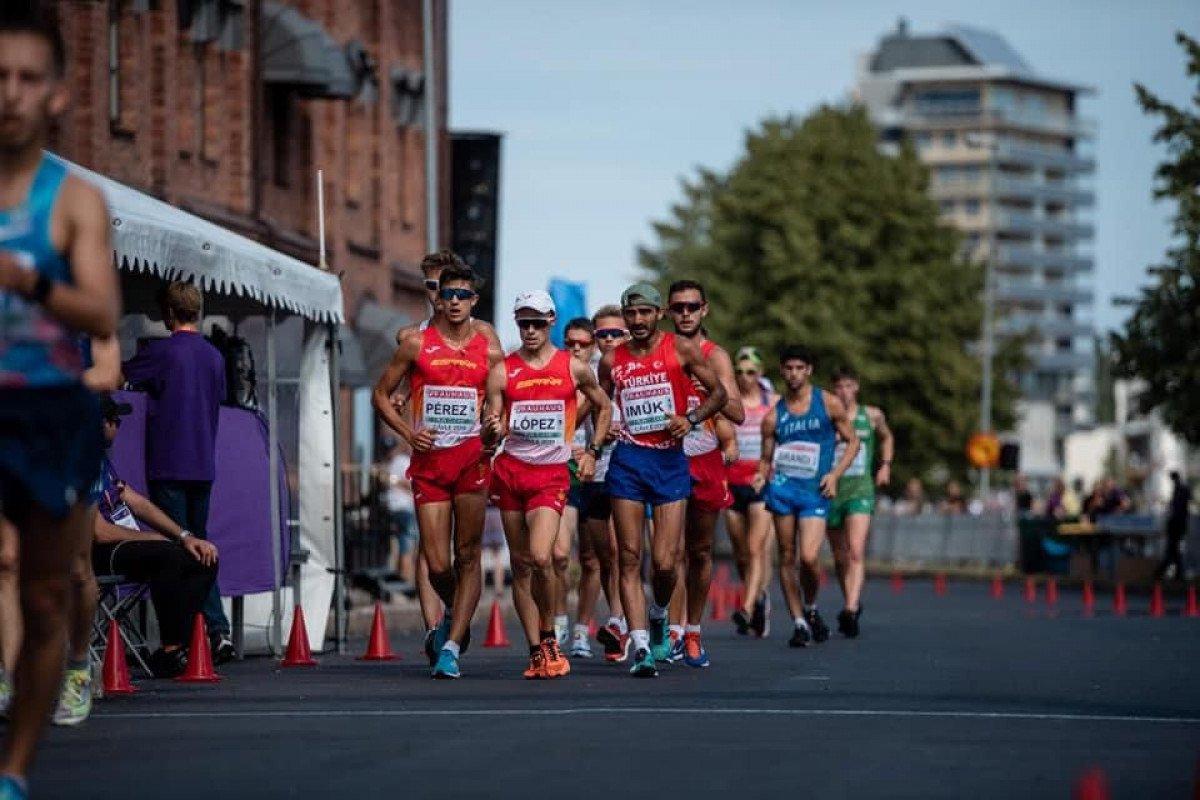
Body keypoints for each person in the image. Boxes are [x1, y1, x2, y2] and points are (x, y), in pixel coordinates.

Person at [0, 4, 121, 794]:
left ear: (56, 93)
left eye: (26, 77)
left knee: (51, 591)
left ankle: (14, 770)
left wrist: (30, 282)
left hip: (48, 412)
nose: (9, 92)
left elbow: (103, 316)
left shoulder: (73, 200)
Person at [372, 264, 503, 679]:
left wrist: (494, 427)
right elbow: (381, 395)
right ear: (439, 300)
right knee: (437, 563)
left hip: (471, 461)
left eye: (463, 295)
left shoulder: (489, 350)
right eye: (448, 295)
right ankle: (455, 611)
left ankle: (451, 645)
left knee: (468, 555)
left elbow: (499, 405)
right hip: (429, 463)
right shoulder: (415, 344)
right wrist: (409, 433)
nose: (455, 302)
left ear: (474, 301)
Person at [597, 282, 726, 677]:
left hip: (669, 463)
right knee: (629, 557)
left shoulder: (681, 349)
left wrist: (690, 419)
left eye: (645, 313)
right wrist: (603, 433)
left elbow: (719, 394)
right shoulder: (611, 359)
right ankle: (640, 646)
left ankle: (658, 614)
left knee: (667, 564)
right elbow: (601, 403)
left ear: (658, 314)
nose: (637, 320)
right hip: (628, 462)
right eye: (631, 314)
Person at [484, 291, 610, 679]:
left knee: (542, 557)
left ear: (551, 321)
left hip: (550, 475)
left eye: (537, 322)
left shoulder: (573, 367)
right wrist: (492, 430)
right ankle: (536, 649)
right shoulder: (502, 371)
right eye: (524, 323)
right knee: (521, 565)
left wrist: (593, 451)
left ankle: (550, 634)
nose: (531, 330)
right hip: (510, 473)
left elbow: (603, 405)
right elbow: (491, 430)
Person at [121, 280, 231, 662]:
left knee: (177, 548)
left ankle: (179, 639)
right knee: (202, 545)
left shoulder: (160, 352)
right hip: (203, 462)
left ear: (168, 313)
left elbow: (119, 377)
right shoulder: (214, 356)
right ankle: (217, 630)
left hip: (168, 462)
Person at [89, 398, 218, 678]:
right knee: (166, 556)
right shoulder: (78, 463)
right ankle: (172, 649)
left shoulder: (102, 463)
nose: (118, 427)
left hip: (122, 544)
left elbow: (138, 503)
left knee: (202, 556)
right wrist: (152, 539)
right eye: (114, 421)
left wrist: (185, 536)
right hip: (93, 553)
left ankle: (187, 641)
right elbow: (100, 532)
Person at [752, 345, 858, 648]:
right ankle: (798, 622)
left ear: (809, 370)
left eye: (800, 368)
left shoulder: (828, 403)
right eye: (789, 368)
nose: (794, 374)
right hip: (783, 490)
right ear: (782, 371)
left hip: (815, 491)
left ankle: (810, 606)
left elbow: (853, 442)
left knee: (809, 557)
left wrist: (834, 475)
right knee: (786, 556)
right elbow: (766, 458)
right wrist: (761, 474)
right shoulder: (774, 416)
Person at [663, 279, 744, 667]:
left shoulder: (716, 356)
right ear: (668, 312)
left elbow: (737, 412)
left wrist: (708, 392)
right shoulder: (659, 351)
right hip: (666, 459)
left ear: (704, 310)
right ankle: (670, 628)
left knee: (698, 551)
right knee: (667, 555)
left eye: (692, 307)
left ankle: (693, 631)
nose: (685, 314)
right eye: (678, 307)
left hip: (705, 459)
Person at [826, 366, 894, 639]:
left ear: (856, 388)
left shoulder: (872, 415)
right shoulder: (827, 416)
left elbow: (887, 437)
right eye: (839, 387)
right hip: (831, 491)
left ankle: (851, 608)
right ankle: (850, 599)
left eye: (848, 386)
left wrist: (885, 465)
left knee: (855, 550)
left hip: (860, 490)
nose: (844, 391)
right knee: (840, 555)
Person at [582, 306, 630, 663]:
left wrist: (621, 430)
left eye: (616, 334)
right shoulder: (586, 375)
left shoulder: (638, 371)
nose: (610, 340)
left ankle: (621, 622)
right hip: (595, 473)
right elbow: (568, 418)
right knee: (605, 557)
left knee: (624, 551)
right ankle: (620, 620)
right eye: (603, 335)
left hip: (630, 473)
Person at [726, 346, 778, 638]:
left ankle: (747, 607)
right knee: (741, 553)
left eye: (751, 372)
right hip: (732, 483)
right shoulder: (730, 403)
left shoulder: (773, 403)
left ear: (760, 373)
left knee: (756, 547)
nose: (745, 377)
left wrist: (771, 471)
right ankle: (758, 595)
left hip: (760, 483)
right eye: (740, 372)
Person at [383, 438, 417, 587]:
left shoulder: (395, 462)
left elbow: (392, 481)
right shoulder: (401, 462)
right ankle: (405, 579)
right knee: (405, 544)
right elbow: (410, 484)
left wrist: (395, 482)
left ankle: (402, 577)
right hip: (402, 507)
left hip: (396, 507)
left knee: (402, 543)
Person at [1156, 471, 1192, 581]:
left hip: (1177, 525)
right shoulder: (1182, 489)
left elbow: (1177, 508)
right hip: (1178, 525)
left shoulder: (1180, 489)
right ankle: (1176, 573)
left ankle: (1163, 572)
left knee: (1172, 550)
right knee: (1174, 550)